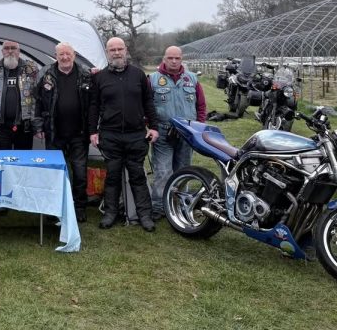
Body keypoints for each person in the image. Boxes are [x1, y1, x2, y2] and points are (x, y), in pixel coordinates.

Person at [88, 37, 159, 232]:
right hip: (110, 135)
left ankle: (145, 215)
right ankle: (110, 213)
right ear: (107, 52)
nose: (117, 52)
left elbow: (149, 103)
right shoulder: (99, 78)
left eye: (120, 49)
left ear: (125, 50)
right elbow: (93, 106)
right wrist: (93, 131)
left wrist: (153, 127)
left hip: (136, 135)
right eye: (113, 50)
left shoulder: (139, 75)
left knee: (138, 175)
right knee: (112, 176)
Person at [34, 42, 92, 223]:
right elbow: (37, 102)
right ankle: (54, 208)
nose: (65, 57)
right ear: (56, 55)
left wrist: (92, 130)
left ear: (74, 55)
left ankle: (79, 207)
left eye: (68, 54)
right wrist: (38, 126)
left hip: (79, 134)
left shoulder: (86, 74)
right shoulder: (46, 74)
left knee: (80, 173)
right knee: (55, 173)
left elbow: (93, 104)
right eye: (61, 54)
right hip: (54, 133)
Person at [149, 45, 207, 221]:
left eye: (177, 58)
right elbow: (147, 106)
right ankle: (159, 207)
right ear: (164, 59)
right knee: (163, 171)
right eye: (170, 58)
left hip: (187, 132)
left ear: (182, 59)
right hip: (163, 132)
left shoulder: (192, 79)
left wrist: (199, 127)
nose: (174, 61)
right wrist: (150, 126)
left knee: (183, 170)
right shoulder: (152, 79)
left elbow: (201, 106)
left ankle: (181, 205)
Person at [0, 40, 40, 151]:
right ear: (2, 51)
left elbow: (38, 98)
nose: (10, 51)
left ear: (19, 51)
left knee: (22, 162)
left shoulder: (32, 70)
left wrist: (37, 127)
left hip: (25, 126)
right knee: (2, 159)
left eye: (13, 48)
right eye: (6, 48)